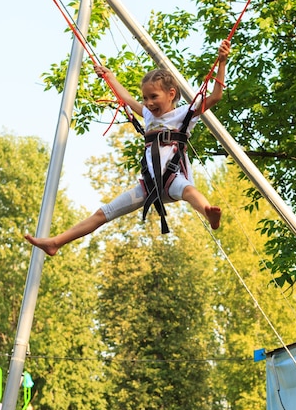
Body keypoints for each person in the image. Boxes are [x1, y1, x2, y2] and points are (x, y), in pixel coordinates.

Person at [25, 39, 230, 256]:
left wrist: (222, 62)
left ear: (171, 94)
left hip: (173, 179)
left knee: (189, 191)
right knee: (104, 213)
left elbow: (215, 96)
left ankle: (209, 213)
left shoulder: (185, 114)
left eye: (154, 97)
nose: (149, 103)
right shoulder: (149, 115)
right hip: (149, 185)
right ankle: (55, 242)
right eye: (146, 97)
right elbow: (127, 99)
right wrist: (110, 77)